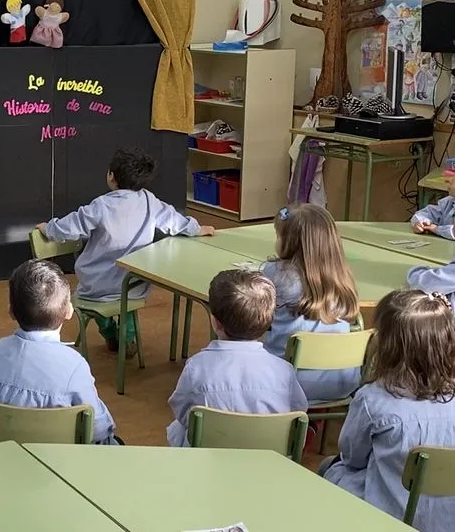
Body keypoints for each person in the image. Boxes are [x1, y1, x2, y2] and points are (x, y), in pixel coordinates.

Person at [37, 147, 214, 357]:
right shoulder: (149, 200)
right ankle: (127, 338)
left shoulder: (101, 205)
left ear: (111, 177)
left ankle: (110, 333)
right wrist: (197, 229)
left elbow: (71, 226)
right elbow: (175, 221)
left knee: (90, 303)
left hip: (98, 283)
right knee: (126, 303)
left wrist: (48, 228)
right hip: (134, 282)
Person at [321, 290, 455, 531]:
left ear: (386, 344)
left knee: (332, 468)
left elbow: (352, 456)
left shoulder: (373, 399)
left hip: (389, 516)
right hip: (446, 520)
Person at [166, 270, 307, 447]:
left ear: (215, 322)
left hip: (208, 457)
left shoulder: (196, 367)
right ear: (268, 323)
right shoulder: (284, 370)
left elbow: (181, 410)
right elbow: (298, 411)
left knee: (178, 428)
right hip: (265, 457)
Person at [0, 259, 118, 444]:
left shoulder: (0, 352)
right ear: (69, 311)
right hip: (64, 459)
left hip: (10, 453)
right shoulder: (74, 365)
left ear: (11, 312)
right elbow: (98, 429)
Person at [261, 205, 361, 403]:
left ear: (288, 242)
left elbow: (256, 320)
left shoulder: (274, 273)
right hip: (341, 383)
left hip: (289, 384)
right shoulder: (343, 278)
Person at [410, 174, 455, 240]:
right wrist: (421, 222)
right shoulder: (449, 201)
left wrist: (436, 229)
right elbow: (426, 213)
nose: (448, 188)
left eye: (451, 183)